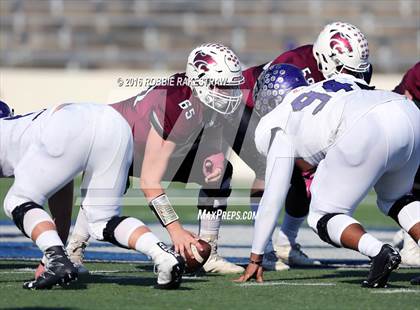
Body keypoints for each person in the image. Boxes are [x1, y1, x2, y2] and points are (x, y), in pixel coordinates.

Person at [64, 43, 246, 274]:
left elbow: (208, 132)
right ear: (200, 79)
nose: (230, 94)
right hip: (116, 144)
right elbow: (150, 184)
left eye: (232, 86)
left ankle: (208, 253)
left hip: (151, 149)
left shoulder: (209, 100)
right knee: (107, 191)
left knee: (222, 174)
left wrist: (213, 157)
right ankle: (73, 250)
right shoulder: (175, 102)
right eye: (222, 86)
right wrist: (176, 231)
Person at [235, 64, 419, 288]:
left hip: (364, 125)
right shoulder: (327, 85)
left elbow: (273, 196)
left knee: (322, 215)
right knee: (396, 198)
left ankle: (379, 253)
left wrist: (256, 256)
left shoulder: (276, 118)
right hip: (406, 112)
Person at [218, 21, 371, 269]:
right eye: (345, 68)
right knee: (270, 167)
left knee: (306, 181)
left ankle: (286, 245)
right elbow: (273, 114)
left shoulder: (354, 71)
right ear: (326, 57)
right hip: (244, 106)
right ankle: (264, 249)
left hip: (284, 116)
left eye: (357, 69)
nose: (352, 75)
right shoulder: (294, 63)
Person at [1, 102, 185, 289]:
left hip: (69, 124)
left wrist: (54, 259)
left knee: (17, 200)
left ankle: (57, 261)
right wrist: (48, 260)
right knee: (102, 222)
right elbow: (61, 203)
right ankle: (163, 256)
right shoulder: (23, 130)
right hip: (114, 123)